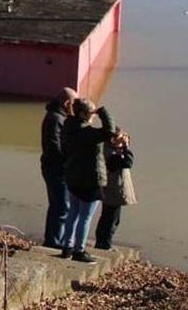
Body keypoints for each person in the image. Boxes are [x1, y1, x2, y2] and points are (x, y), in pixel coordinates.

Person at [57, 98, 115, 263]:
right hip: (89, 180)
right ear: (84, 113)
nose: (93, 116)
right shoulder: (87, 133)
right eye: (91, 113)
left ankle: (66, 247)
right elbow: (109, 132)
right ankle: (79, 250)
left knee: (73, 214)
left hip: (72, 177)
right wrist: (103, 112)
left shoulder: (68, 127)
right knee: (85, 217)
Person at [40, 87, 77, 248]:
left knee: (58, 204)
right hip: (56, 168)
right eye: (74, 103)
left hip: (54, 167)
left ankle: (55, 238)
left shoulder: (57, 117)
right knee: (61, 205)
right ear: (67, 103)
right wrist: (70, 159)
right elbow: (55, 147)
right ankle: (54, 241)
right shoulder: (56, 119)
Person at [95, 129, 135, 250]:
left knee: (109, 217)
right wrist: (126, 147)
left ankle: (102, 242)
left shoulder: (110, 150)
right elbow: (128, 162)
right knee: (111, 219)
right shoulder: (111, 153)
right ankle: (105, 244)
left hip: (112, 190)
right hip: (113, 191)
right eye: (121, 138)